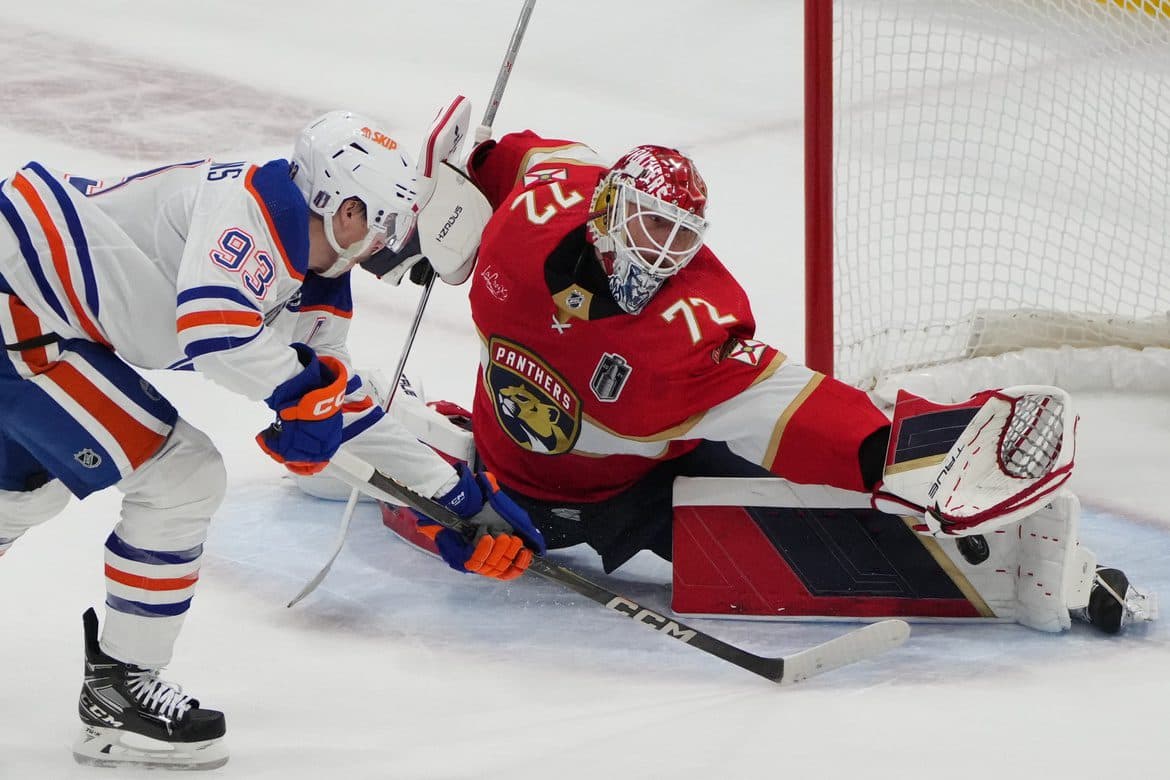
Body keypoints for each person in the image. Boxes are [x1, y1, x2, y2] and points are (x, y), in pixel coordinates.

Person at [367, 129, 1152, 637]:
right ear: (606, 208)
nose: (663, 253)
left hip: (636, 494)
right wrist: (449, 189)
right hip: (504, 479)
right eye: (649, 226)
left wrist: (892, 450)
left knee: (788, 539)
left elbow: (793, 405)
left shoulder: (692, 329)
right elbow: (512, 157)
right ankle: (421, 430)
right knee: (392, 461)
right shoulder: (531, 213)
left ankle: (1039, 568)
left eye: (681, 238)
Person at [0, 108, 543, 771]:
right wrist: (296, 393)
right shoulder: (250, 206)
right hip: (19, 297)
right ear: (340, 207)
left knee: (22, 493)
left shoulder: (321, 281)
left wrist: (455, 499)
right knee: (182, 476)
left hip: (46, 317)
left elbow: (344, 404)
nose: (390, 239)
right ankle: (119, 695)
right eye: (381, 217)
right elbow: (214, 329)